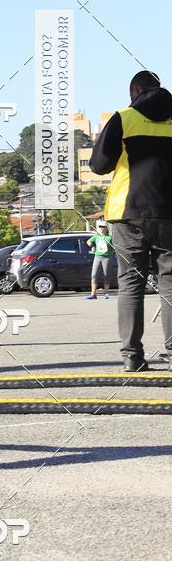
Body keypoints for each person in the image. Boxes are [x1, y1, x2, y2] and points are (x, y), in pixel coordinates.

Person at [90, 70, 172, 372]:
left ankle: (132, 357)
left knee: (131, 285)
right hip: (169, 214)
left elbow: (98, 166)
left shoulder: (124, 117)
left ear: (135, 90)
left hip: (128, 213)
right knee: (171, 286)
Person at [86, 222, 114, 300]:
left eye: (103, 227)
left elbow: (114, 247)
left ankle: (106, 293)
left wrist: (112, 250)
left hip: (106, 258)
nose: (101, 228)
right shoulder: (96, 236)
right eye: (100, 227)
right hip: (97, 257)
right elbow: (88, 242)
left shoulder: (109, 237)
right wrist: (92, 246)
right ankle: (93, 294)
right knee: (94, 275)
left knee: (106, 276)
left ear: (106, 228)